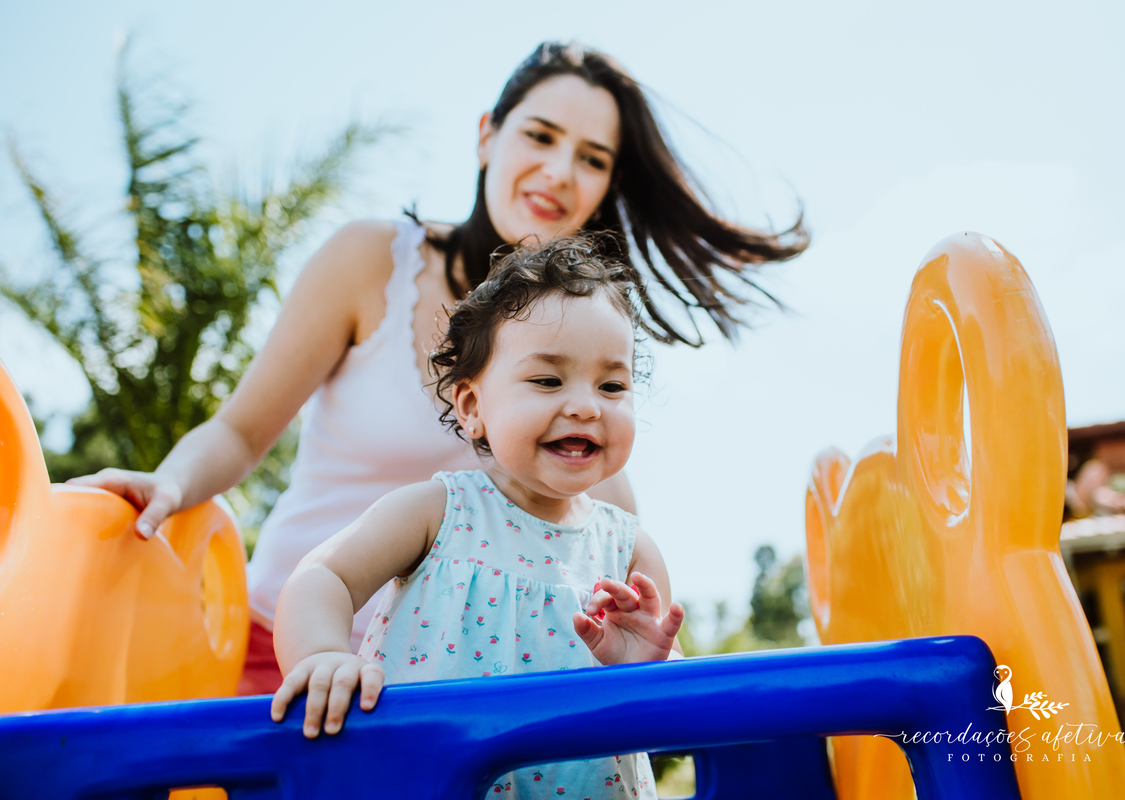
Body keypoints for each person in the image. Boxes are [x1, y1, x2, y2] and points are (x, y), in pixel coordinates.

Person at [67, 41, 807, 694]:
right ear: (488, 136)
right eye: (541, 136)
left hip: (443, 707)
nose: (558, 171)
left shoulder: (599, 466)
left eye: (592, 159)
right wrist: (169, 481)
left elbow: (619, 641)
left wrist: (644, 657)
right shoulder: (373, 261)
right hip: (288, 648)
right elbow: (237, 431)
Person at [270, 236, 684, 799]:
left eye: (612, 385)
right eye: (548, 380)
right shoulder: (437, 512)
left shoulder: (630, 552)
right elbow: (323, 576)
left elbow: (674, 728)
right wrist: (321, 655)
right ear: (473, 408)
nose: (588, 405)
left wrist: (646, 673)